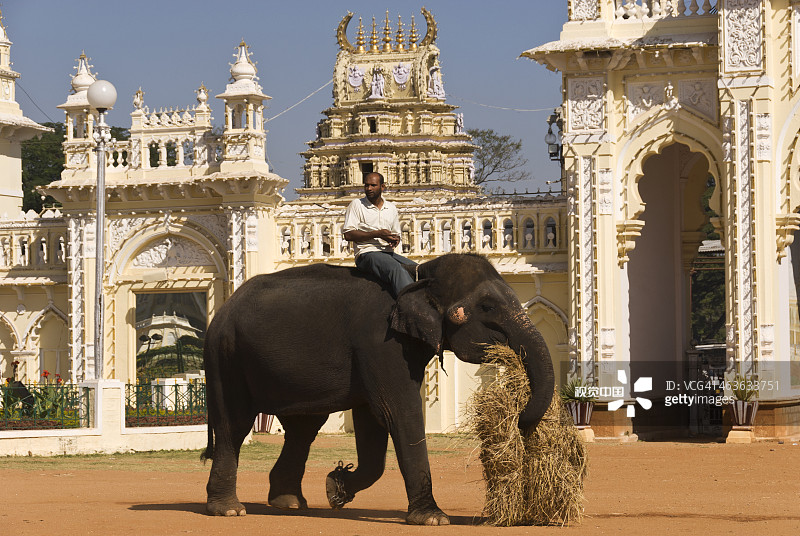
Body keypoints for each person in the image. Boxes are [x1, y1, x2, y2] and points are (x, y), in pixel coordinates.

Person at [343, 172, 417, 297]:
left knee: (417, 269)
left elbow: (395, 233)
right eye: (366, 185)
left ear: (382, 187)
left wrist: (394, 239)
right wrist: (377, 234)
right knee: (396, 270)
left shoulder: (391, 208)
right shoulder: (357, 205)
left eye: (373, 185)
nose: (369, 189)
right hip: (367, 253)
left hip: (388, 253)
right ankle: (410, 305)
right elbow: (349, 235)